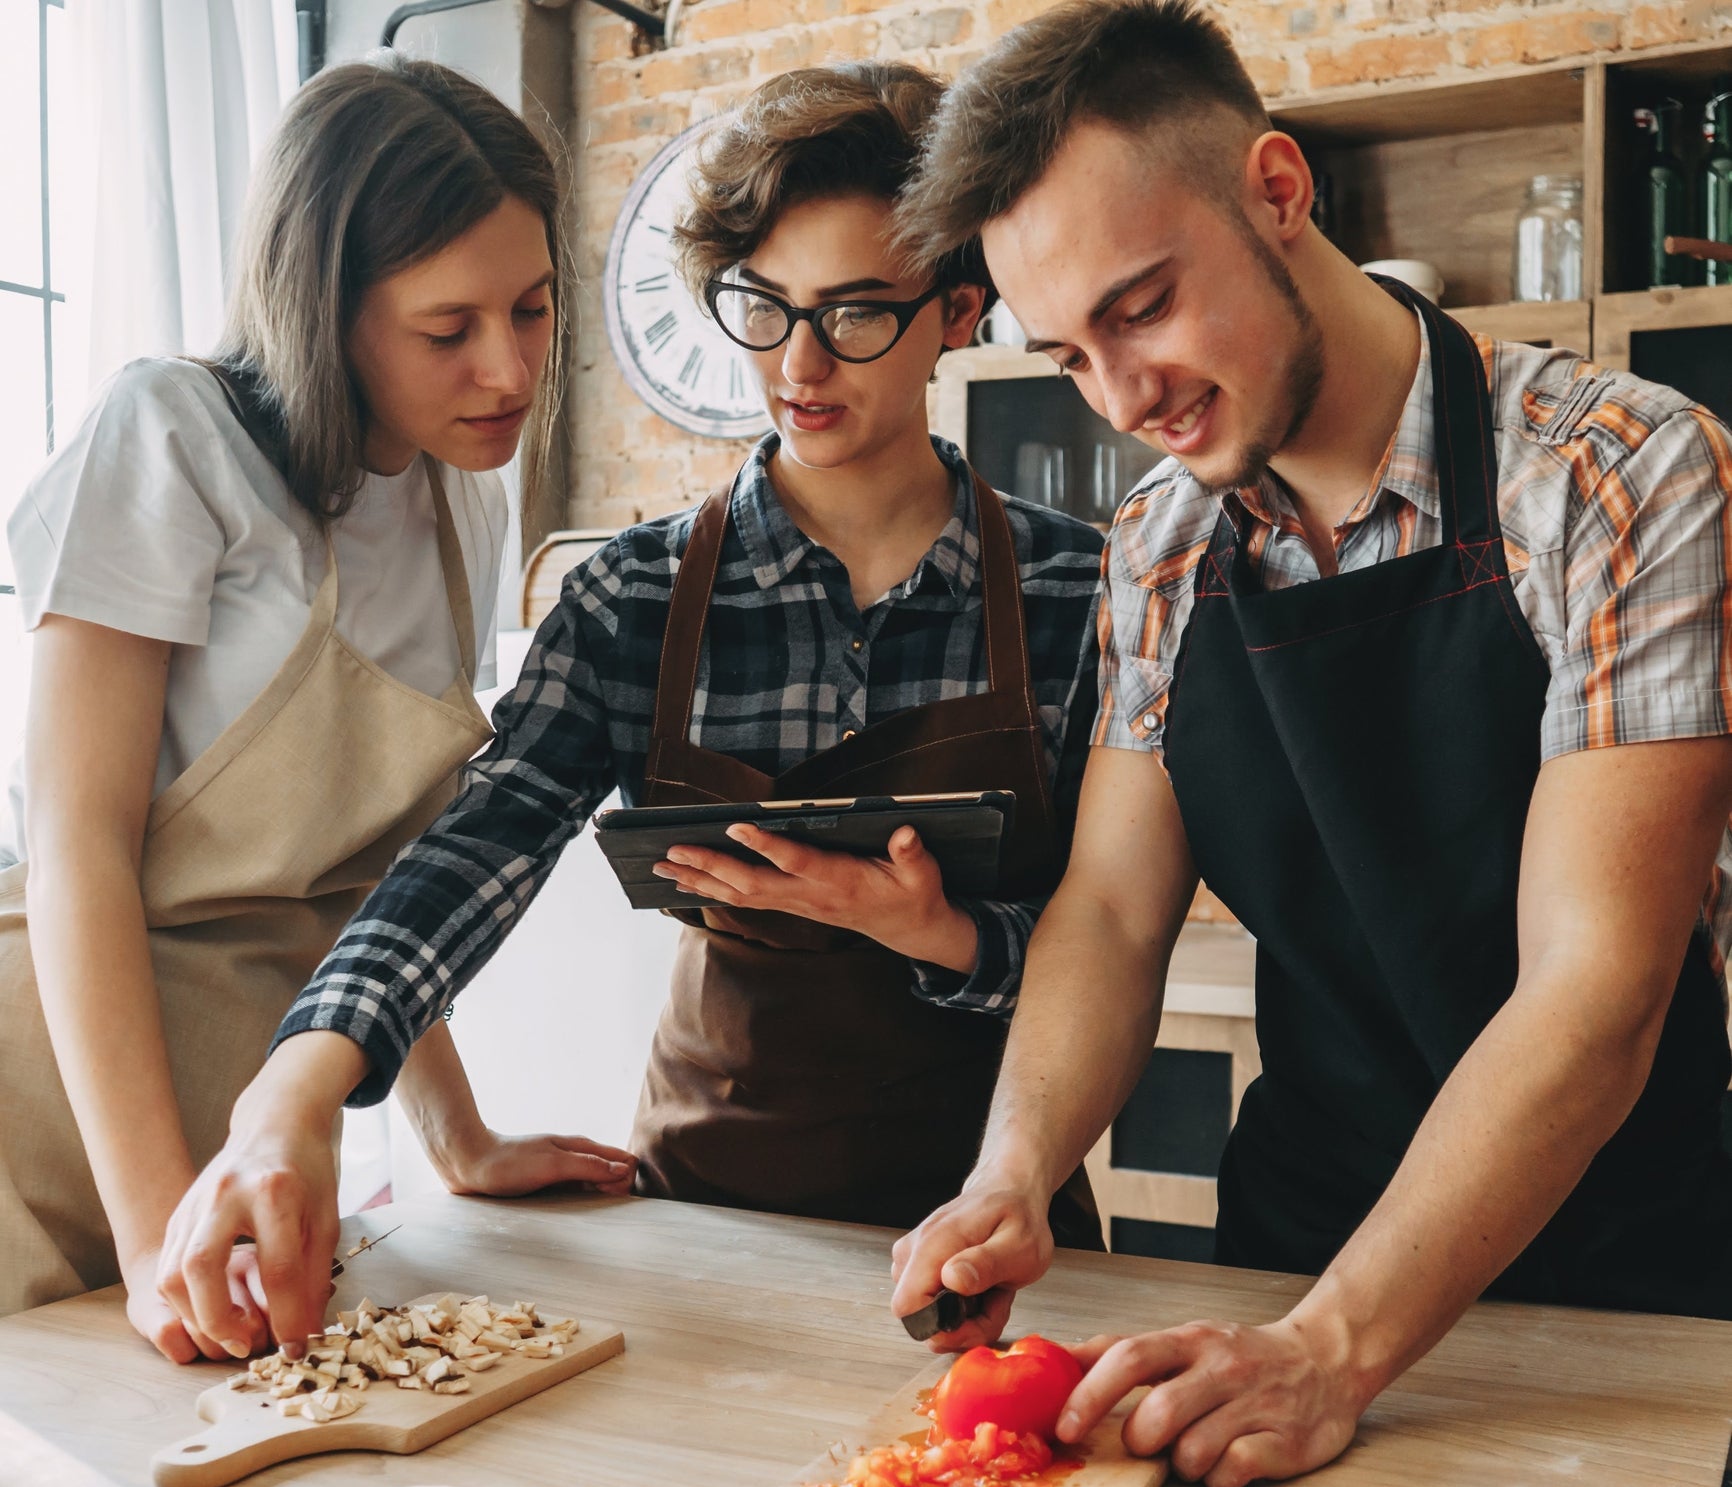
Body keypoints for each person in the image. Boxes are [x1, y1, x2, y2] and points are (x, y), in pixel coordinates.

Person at [889, 0, 1732, 1487]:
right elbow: (1110, 907)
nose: (1124, 398)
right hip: (1294, 1262)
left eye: (1142, 306)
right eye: (1070, 355)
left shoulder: (1623, 475)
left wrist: (1340, 1348)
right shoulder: (1159, 545)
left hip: (1614, 1296)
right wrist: (1011, 1172)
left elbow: (1600, 986)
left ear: (1278, 193)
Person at [153, 61, 1108, 1357]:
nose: (800, 364)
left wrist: (945, 935)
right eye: (763, 310)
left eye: (856, 315)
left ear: (958, 309)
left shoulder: (1078, 588)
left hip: (1006, 1235)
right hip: (707, 1240)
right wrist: (297, 1088)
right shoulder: (636, 596)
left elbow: (1113, 930)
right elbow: (477, 850)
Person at [0, 56, 635, 1360]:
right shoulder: (171, 439)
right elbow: (78, 857)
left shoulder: (460, 502)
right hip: (56, 1124)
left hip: (252, 1136)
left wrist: (459, 1141)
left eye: (531, 310)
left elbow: (377, 870)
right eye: (446, 330)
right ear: (327, 309)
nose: (510, 372)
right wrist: (147, 1231)